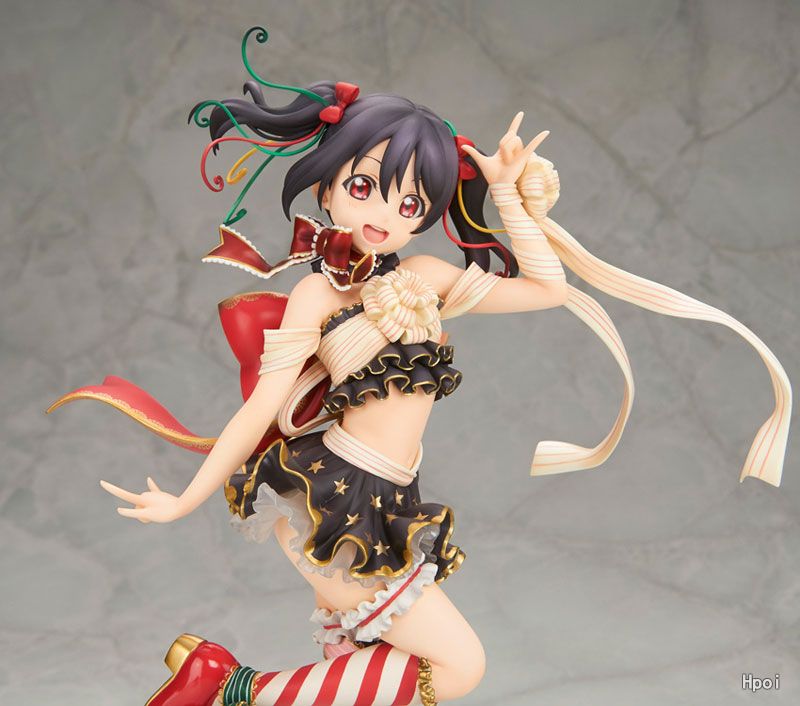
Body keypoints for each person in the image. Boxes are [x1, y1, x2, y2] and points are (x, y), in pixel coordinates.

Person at [48, 26, 791, 706]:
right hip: (326, 499)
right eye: (364, 187)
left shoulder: (427, 277)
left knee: (372, 664)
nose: (384, 213)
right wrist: (186, 499)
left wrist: (506, 194)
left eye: (411, 203)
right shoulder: (315, 295)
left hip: (389, 501)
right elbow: (259, 409)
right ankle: (230, 688)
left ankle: (219, 681)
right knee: (460, 665)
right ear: (327, 185)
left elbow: (548, 289)